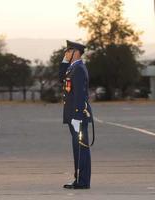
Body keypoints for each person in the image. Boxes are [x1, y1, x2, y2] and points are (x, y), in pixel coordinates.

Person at [59, 40, 93, 189]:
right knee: (78, 148)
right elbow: (61, 78)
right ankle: (79, 179)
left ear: (76, 53)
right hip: (73, 114)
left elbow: (80, 94)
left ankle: (82, 181)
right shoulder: (73, 68)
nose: (65, 53)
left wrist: (78, 116)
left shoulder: (78, 69)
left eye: (68, 51)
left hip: (77, 115)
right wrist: (64, 61)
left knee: (80, 149)